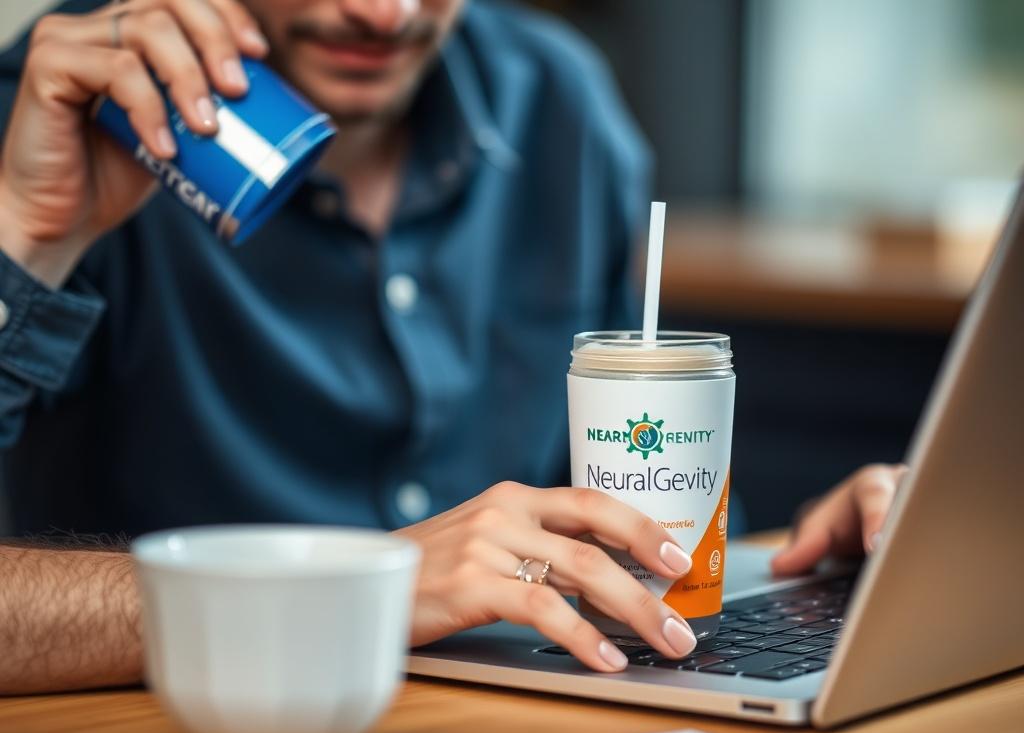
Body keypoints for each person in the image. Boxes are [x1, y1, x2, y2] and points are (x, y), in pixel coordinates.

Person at [0, 0, 906, 695]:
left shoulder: (555, 98)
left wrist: (798, 562)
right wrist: (25, 235)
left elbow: (640, 512)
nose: (386, 16)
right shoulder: (55, 110)